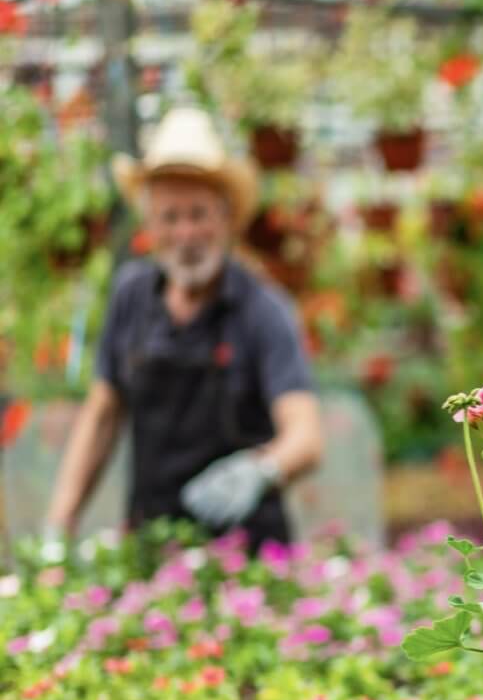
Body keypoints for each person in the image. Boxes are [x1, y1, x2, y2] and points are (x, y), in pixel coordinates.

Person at [45, 107, 322, 554]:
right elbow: (102, 414)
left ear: (228, 219)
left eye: (199, 214)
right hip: (154, 544)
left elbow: (306, 435)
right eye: (170, 217)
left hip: (248, 554)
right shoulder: (132, 296)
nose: (186, 232)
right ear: (149, 226)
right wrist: (59, 525)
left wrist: (260, 470)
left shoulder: (261, 309)